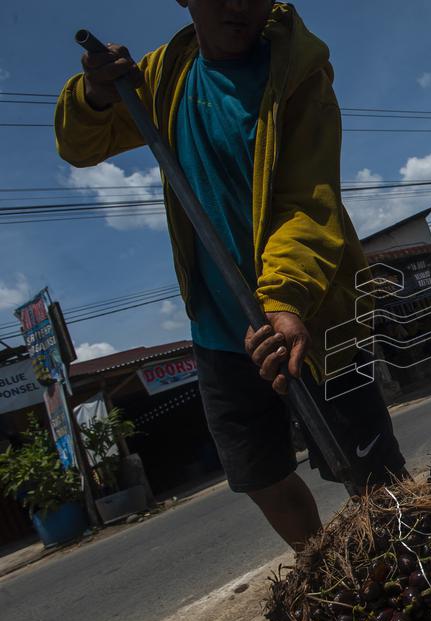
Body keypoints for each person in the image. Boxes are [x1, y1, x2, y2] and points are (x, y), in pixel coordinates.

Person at [54, 0, 407, 551]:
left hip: (311, 316)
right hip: (220, 332)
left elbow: (308, 202)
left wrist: (285, 300)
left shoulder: (300, 75)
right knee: (261, 477)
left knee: (374, 477)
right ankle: (334, 580)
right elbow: (80, 145)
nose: (239, 6)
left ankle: (410, 572)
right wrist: (96, 94)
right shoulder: (162, 77)